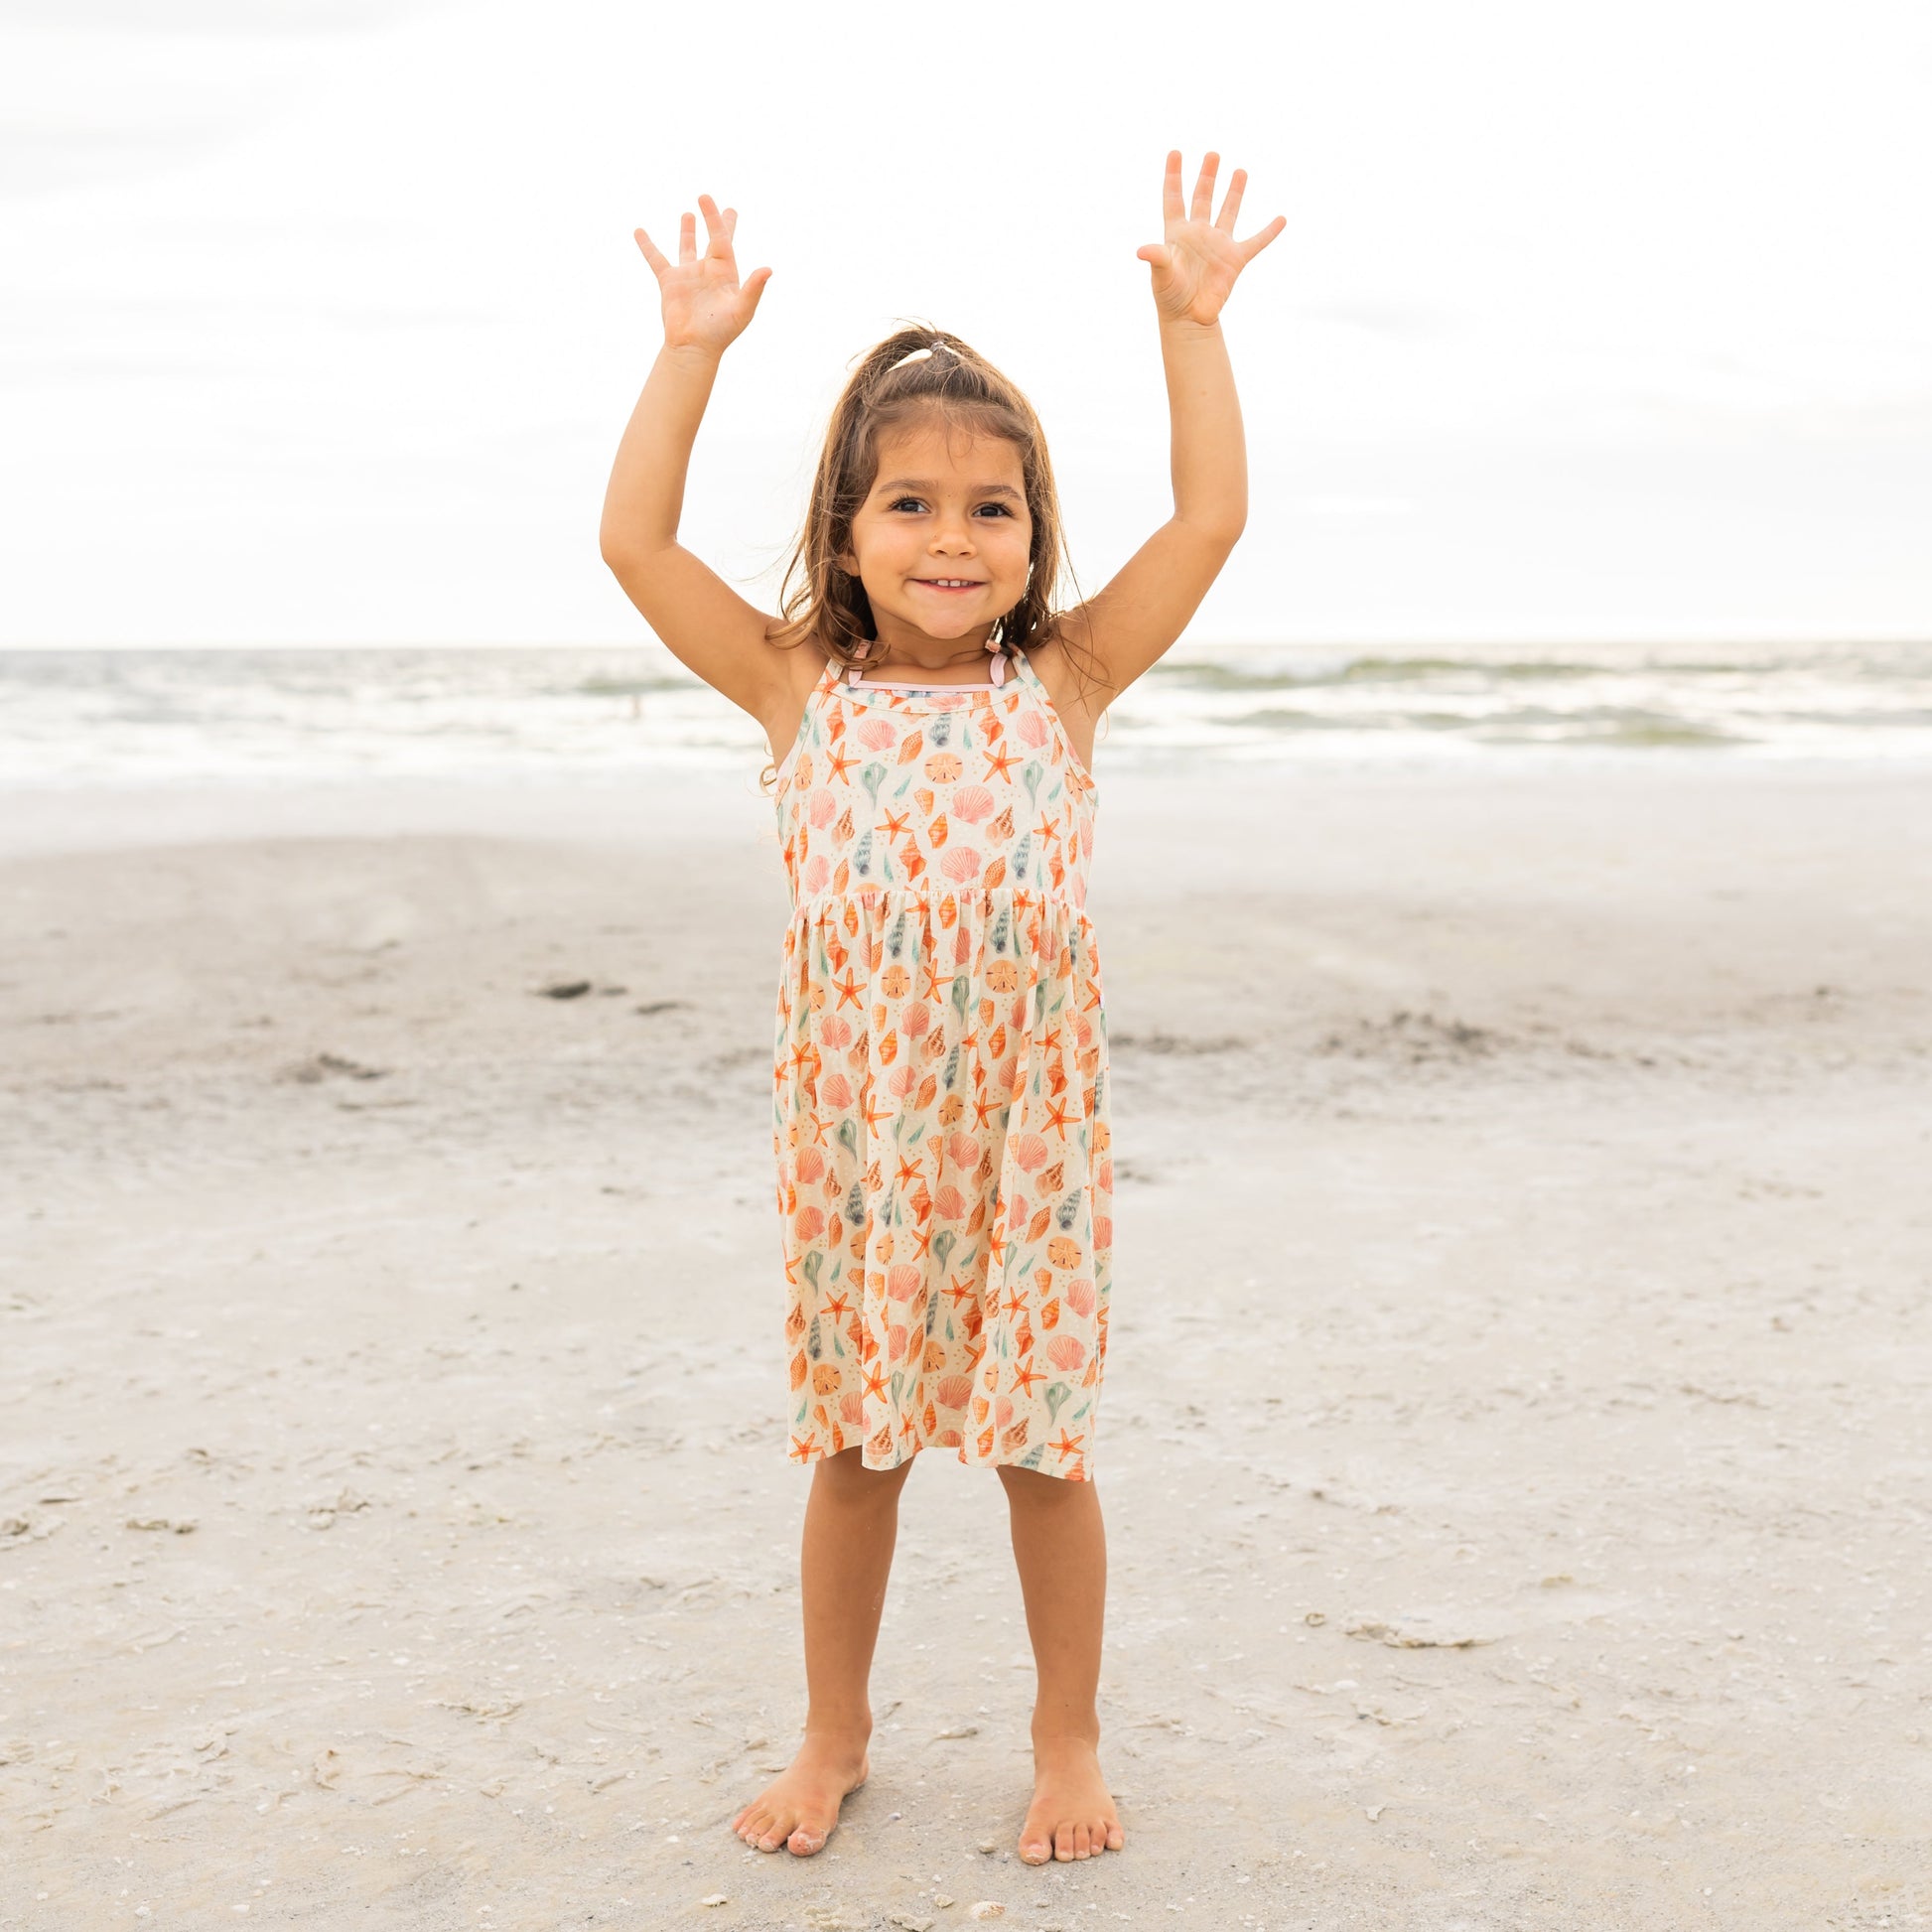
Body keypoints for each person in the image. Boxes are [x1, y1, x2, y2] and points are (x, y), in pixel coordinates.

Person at [598, 148, 1282, 1867]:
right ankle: (834, 1731)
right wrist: (690, 350)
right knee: (861, 1448)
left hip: (1028, 1127)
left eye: (992, 507)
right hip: (861, 1130)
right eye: (908, 502)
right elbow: (631, 537)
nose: (952, 538)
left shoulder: (1066, 680)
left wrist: (1187, 325)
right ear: (845, 526)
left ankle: (1066, 1737)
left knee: (1042, 1451)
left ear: (1036, 532)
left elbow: (1208, 519)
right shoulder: (793, 687)